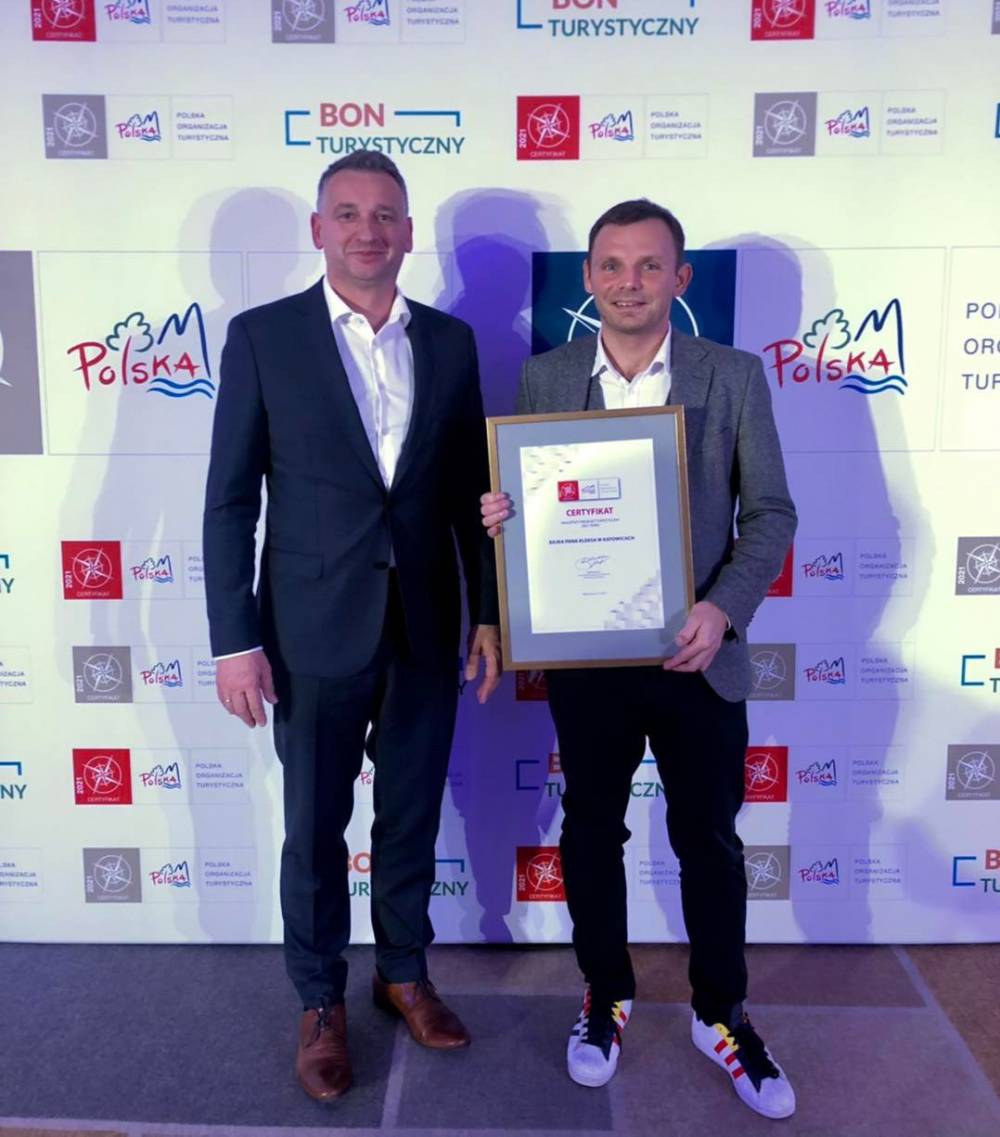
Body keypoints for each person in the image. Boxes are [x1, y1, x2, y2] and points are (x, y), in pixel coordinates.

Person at [481, 200, 797, 1120]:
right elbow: (532, 506)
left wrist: (721, 608)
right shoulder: (545, 377)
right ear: (587, 278)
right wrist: (503, 516)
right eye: (612, 266)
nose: (630, 283)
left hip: (698, 653)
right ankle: (605, 992)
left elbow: (770, 513)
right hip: (588, 659)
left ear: (680, 279)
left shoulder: (732, 375)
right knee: (591, 831)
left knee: (710, 840)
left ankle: (721, 1011)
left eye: (650, 266)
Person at [203, 152, 501, 1102]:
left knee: (410, 815)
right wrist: (234, 640)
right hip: (309, 630)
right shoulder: (263, 338)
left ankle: (402, 972)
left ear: (408, 231)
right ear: (318, 230)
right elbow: (229, 502)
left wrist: (490, 613)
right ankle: (320, 999)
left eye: (384, 214)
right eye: (347, 213)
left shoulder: (451, 342)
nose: (367, 230)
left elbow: (470, 494)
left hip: (425, 623)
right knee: (314, 828)